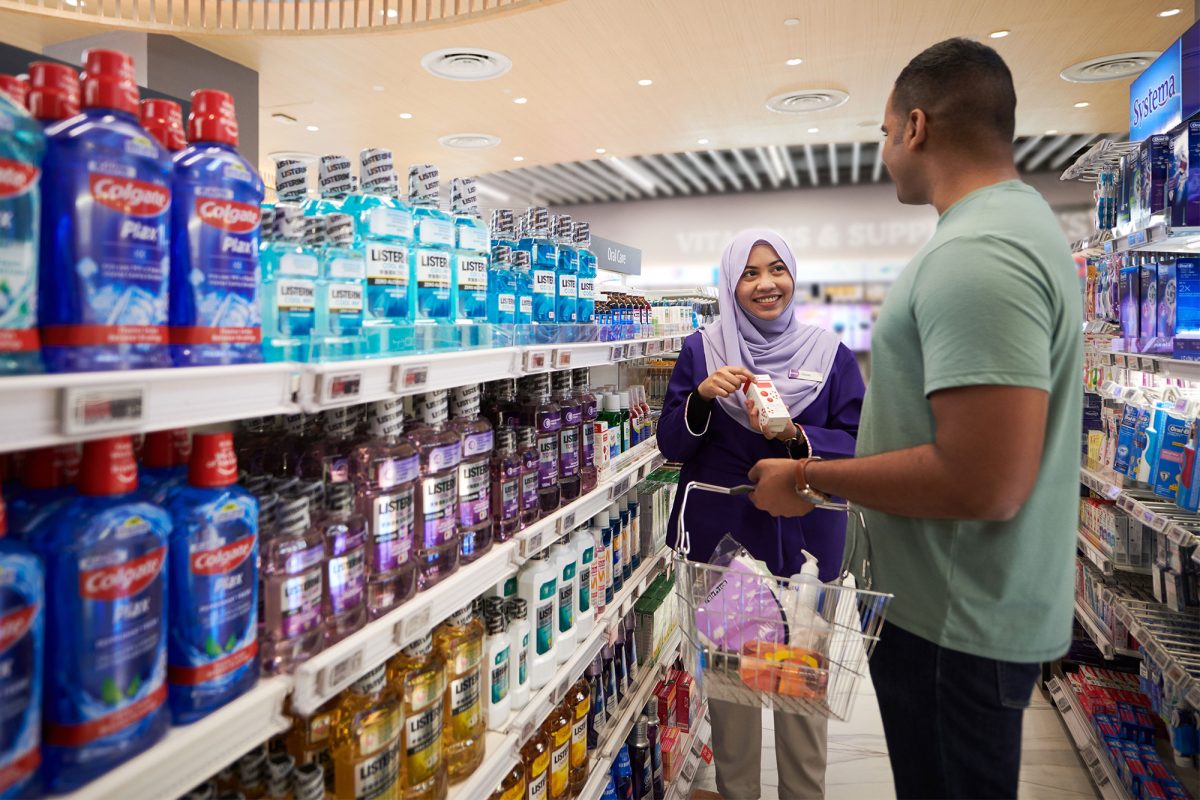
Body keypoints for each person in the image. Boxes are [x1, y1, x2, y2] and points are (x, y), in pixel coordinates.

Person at [747, 38, 1083, 800]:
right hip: (956, 613)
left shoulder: (981, 253)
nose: (884, 149)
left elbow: (981, 481)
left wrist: (807, 475)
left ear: (917, 127)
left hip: (952, 627)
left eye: (883, 130)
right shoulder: (1003, 231)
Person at [658, 228, 864, 800]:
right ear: (730, 283)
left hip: (805, 553)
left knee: (801, 705)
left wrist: (800, 436)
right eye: (749, 274)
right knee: (733, 706)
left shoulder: (829, 356)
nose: (766, 283)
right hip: (727, 559)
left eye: (776, 269)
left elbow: (857, 440)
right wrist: (700, 397)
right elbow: (672, 446)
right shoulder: (702, 350)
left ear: (793, 275)